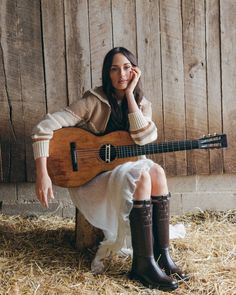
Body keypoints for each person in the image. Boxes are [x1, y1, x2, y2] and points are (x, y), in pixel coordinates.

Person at [32, 47, 188, 291]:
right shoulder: (92, 101)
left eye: (127, 68)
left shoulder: (142, 104)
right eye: (114, 69)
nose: (121, 74)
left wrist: (129, 97)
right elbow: (43, 128)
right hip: (93, 178)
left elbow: (144, 138)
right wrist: (42, 173)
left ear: (135, 71)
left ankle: (160, 256)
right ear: (107, 73)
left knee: (156, 172)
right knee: (143, 175)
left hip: (127, 173)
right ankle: (142, 264)